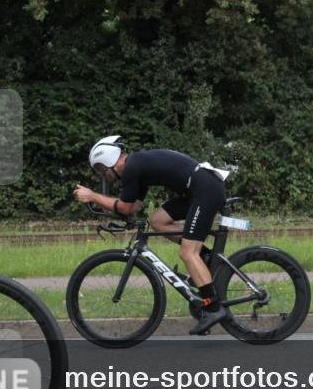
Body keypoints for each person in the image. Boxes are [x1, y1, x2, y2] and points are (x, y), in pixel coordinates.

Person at [73, 136, 230, 335]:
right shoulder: (137, 166)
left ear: (108, 161)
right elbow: (133, 207)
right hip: (199, 188)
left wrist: (93, 196)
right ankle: (206, 257)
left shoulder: (132, 167)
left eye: (100, 169)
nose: (102, 175)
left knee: (188, 253)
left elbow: (125, 206)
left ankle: (213, 307)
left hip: (204, 189)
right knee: (157, 221)